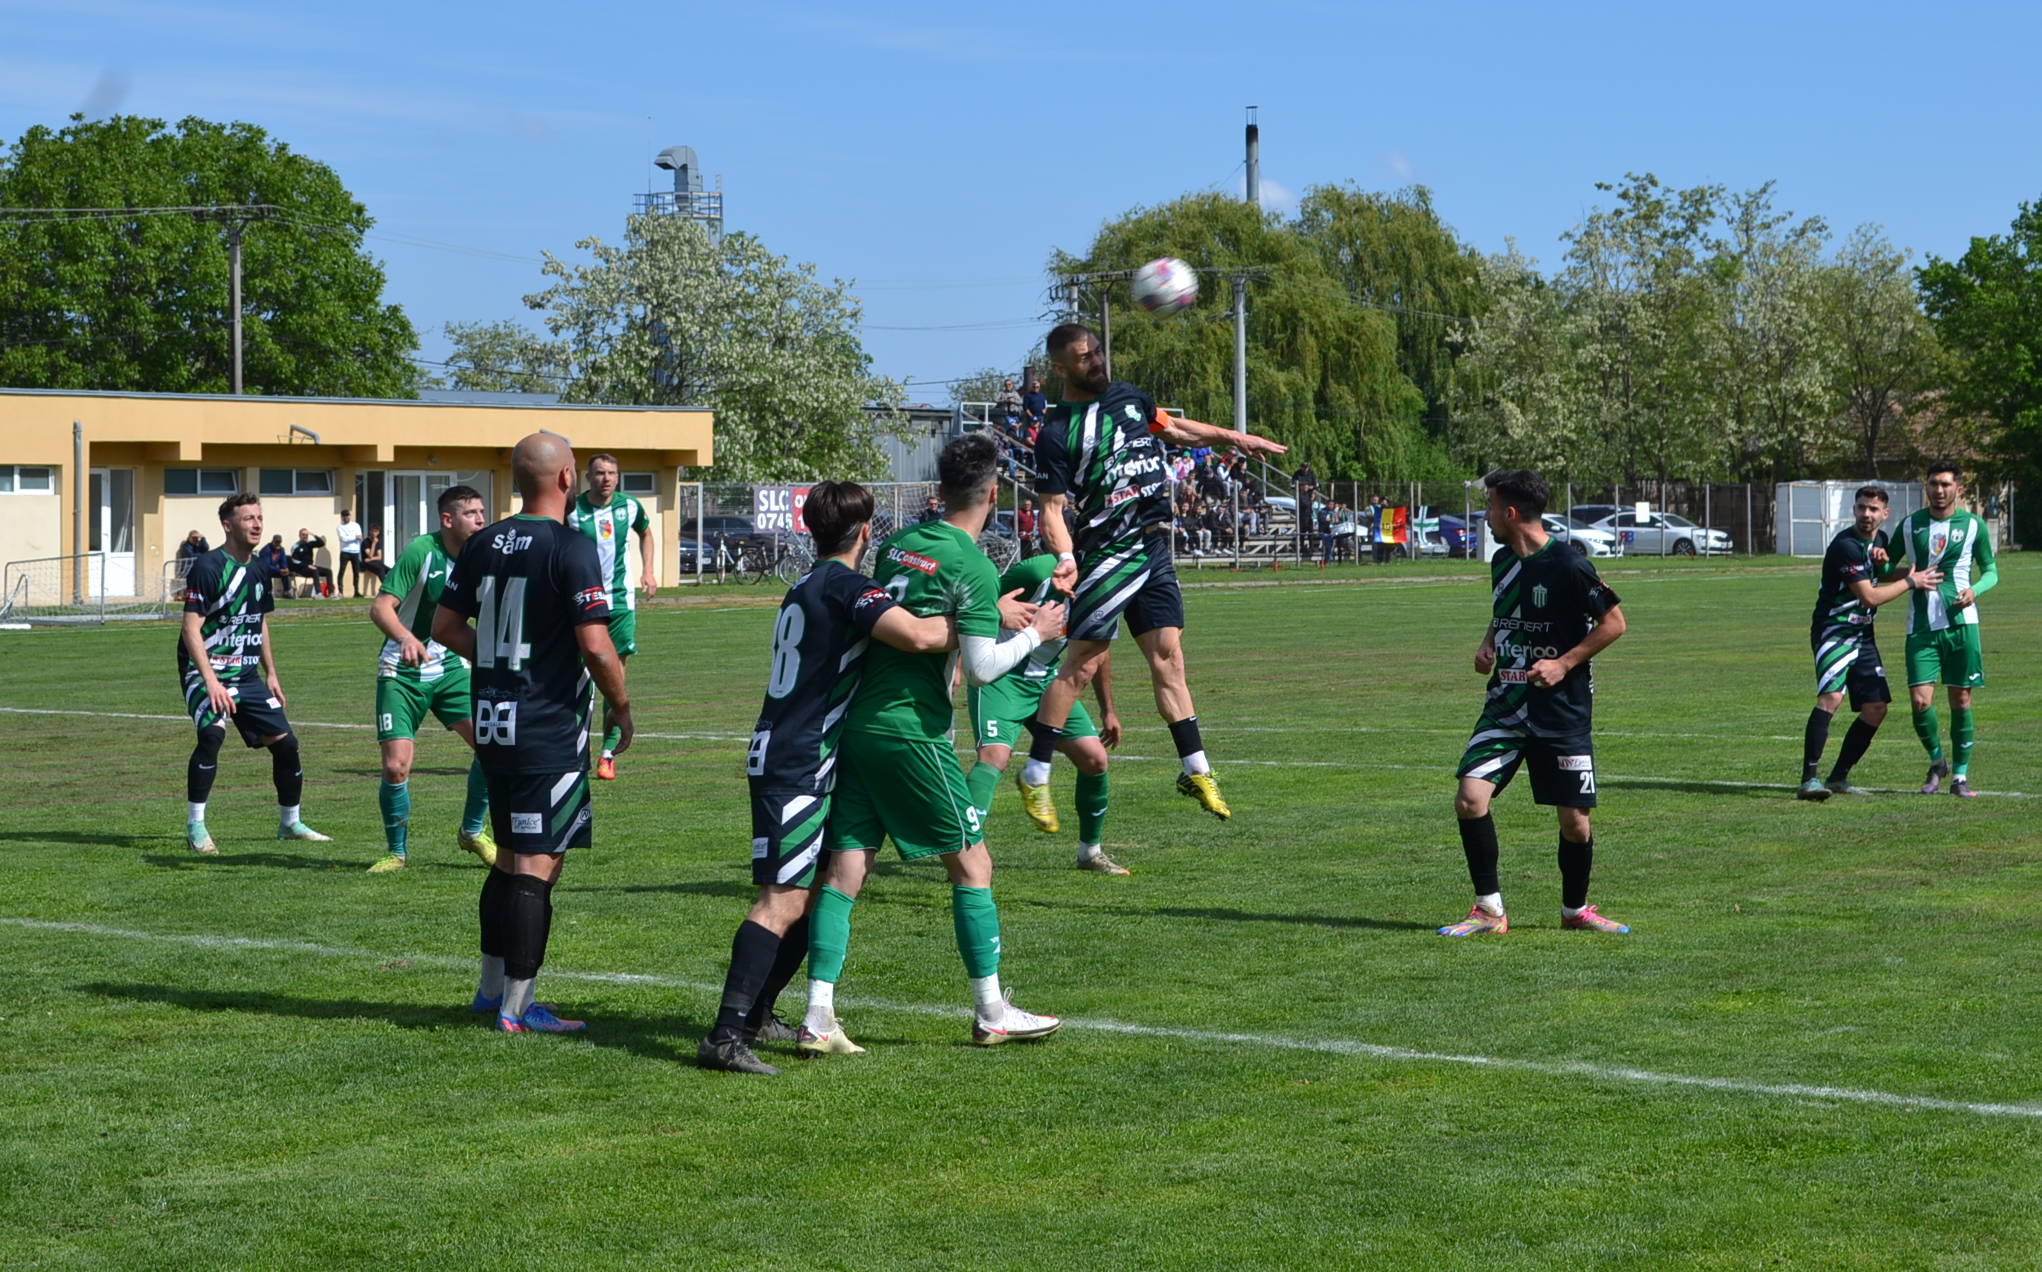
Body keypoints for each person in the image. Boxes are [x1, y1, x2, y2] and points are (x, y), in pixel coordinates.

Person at [795, 433, 1067, 1055]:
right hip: (913, 730)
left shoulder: (898, 544)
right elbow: (984, 669)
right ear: (993, 496)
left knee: (846, 869)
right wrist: (1039, 632)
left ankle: (817, 1014)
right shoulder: (973, 564)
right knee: (974, 865)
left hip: (860, 724)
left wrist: (988, 615)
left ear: (938, 491)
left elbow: (914, 617)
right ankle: (992, 1012)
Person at [697, 481, 963, 1076]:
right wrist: (981, 620)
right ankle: (724, 1035)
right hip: (797, 759)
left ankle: (758, 1013)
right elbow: (919, 636)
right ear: (865, 533)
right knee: (781, 899)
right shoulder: (847, 586)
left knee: (813, 892)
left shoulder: (804, 583)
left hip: (793, 752)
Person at [1021, 322, 1288, 828]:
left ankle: (1195, 769)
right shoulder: (1057, 432)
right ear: (1060, 369)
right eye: (1083, 357)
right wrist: (1066, 557)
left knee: (1169, 656)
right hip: (1107, 552)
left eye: (1097, 352)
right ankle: (1035, 773)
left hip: (1152, 547)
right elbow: (1052, 509)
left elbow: (1176, 430)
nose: (1096, 361)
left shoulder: (1129, 397)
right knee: (1081, 665)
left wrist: (1234, 438)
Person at [433, 432, 631, 1035]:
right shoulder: (570, 546)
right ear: (568, 478)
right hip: (547, 729)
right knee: (537, 866)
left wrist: (501, 659)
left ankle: (490, 992)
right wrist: (621, 706)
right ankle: (517, 1011)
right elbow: (596, 647)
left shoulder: (483, 541)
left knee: (509, 861)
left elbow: (445, 627)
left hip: (494, 723)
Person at [1441, 469, 1628, 938]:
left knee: (1575, 825)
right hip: (1505, 706)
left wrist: (1563, 664)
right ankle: (1489, 911)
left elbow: (1614, 623)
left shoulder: (1569, 563)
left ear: (1510, 513)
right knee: (1469, 799)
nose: (1485, 516)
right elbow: (1506, 609)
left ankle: (1575, 910)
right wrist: (1489, 643)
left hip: (1562, 711)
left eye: (1489, 507)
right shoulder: (1502, 561)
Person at [178, 492, 330, 854]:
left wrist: (271, 673)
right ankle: (196, 826)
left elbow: (258, 622)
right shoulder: (208, 566)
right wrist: (211, 682)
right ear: (228, 525)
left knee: (287, 745)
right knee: (212, 736)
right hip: (205, 671)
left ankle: (290, 823)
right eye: (248, 518)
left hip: (246, 675)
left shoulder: (261, 567)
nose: (257, 524)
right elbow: (190, 628)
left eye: (259, 517)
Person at [364, 485, 498, 873]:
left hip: (451, 668)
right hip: (402, 671)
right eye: (471, 513)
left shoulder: (482, 556)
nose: (480, 520)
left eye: (482, 512)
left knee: (492, 748)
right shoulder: (422, 551)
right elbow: (380, 607)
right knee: (396, 766)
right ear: (447, 519)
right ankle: (396, 853)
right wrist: (405, 637)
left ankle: (472, 832)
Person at [966, 552, 1125, 874]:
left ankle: (1090, 854)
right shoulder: (1038, 571)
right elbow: (976, 605)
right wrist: (995, 613)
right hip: (1001, 677)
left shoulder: (1105, 590)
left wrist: (1107, 709)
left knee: (1095, 759)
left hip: (1051, 684)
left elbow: (1097, 652)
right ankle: (963, 853)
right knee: (994, 756)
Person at [1798, 486, 1939, 800]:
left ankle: (1838, 778)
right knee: (1831, 698)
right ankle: (1809, 780)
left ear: (1884, 514)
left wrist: (1910, 572)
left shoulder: (1880, 540)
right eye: (1861, 507)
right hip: (1833, 630)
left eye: (1873, 509)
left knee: (1876, 708)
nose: (1866, 514)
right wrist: (1910, 582)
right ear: (1854, 510)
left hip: (1863, 635)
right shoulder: (1845, 546)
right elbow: (1870, 596)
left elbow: (1879, 574)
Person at [1885, 461, 1999, 797]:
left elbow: (1991, 571)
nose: (1939, 490)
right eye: (1933, 483)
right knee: (1920, 703)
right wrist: (1882, 560)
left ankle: (1960, 777)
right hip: (1921, 628)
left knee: (1960, 700)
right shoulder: (1910, 525)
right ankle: (1937, 761)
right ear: (1927, 487)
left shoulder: (1974, 525)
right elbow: (1887, 569)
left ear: (1958, 489)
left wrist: (1975, 590)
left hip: (1962, 626)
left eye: (1946, 484)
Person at [566, 453, 657, 781]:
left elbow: (646, 533)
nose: (606, 478)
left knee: (614, 677)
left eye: (612, 473)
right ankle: (577, 743)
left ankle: (608, 753)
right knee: (577, 676)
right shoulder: (572, 510)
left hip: (619, 601)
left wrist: (648, 570)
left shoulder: (629, 507)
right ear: (588, 477)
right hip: (580, 600)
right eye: (600, 473)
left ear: (618, 477)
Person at [288, 529, 333, 598]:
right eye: (303, 535)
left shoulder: (309, 544)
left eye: (306, 535)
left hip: (311, 567)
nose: (305, 536)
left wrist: (312, 534)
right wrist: (307, 566)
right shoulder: (296, 546)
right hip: (301, 568)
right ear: (299, 535)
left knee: (328, 571)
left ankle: (331, 593)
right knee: (314, 571)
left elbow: (321, 543)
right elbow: (295, 561)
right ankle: (318, 593)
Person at [335, 509, 365, 597]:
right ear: (341, 517)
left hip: (355, 551)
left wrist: (351, 537)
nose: (346, 517)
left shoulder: (356, 525)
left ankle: (356, 591)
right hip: (345, 551)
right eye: (344, 516)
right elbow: (344, 539)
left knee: (356, 571)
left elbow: (360, 537)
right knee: (342, 571)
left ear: (350, 516)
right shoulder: (340, 527)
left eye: (347, 515)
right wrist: (355, 537)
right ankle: (340, 591)